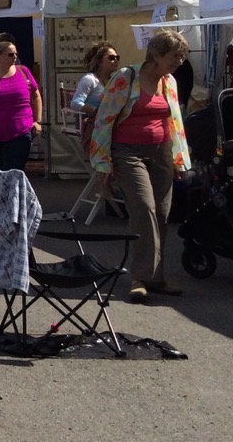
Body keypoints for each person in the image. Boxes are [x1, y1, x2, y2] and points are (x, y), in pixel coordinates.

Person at [90, 30, 192, 303]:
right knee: (144, 208)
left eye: (183, 56)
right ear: (156, 55)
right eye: (175, 56)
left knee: (161, 212)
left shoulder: (169, 81)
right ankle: (139, 277)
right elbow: (104, 119)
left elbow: (176, 121)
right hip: (127, 152)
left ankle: (156, 278)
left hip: (161, 152)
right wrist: (103, 164)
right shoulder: (126, 77)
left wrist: (179, 159)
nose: (180, 61)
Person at [0, 40, 42, 173]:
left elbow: (36, 96)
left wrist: (37, 121)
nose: (15, 57)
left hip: (20, 132)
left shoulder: (24, 71)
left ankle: (14, 195)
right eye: (10, 54)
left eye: (16, 54)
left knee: (15, 173)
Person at [71, 41, 121, 118]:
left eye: (117, 57)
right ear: (98, 61)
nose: (116, 60)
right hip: (94, 126)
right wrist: (96, 111)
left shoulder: (114, 81)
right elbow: (75, 103)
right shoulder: (89, 80)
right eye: (111, 57)